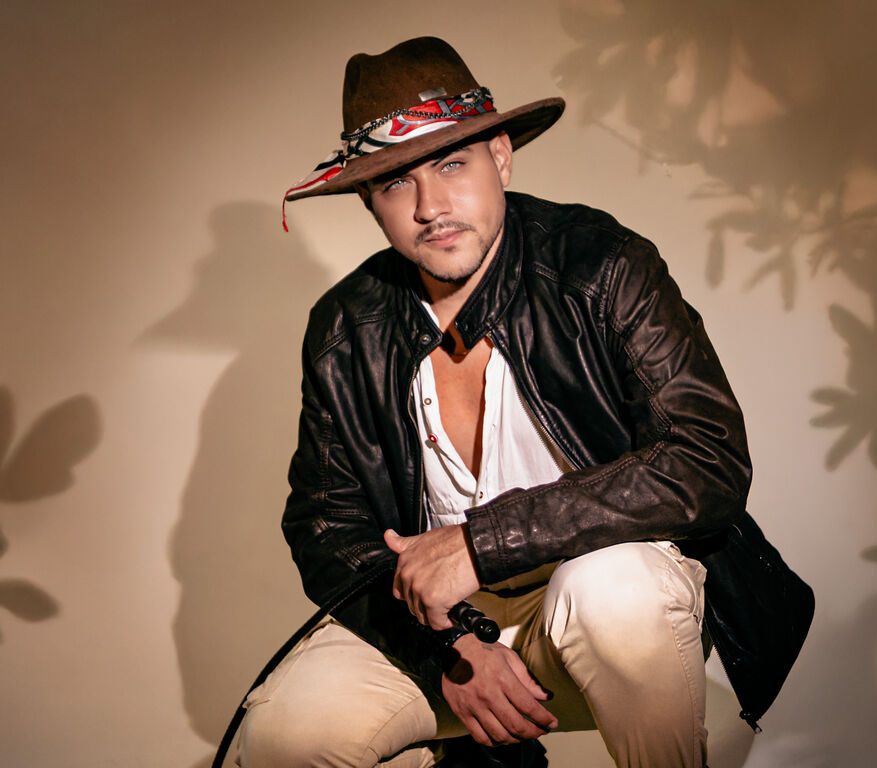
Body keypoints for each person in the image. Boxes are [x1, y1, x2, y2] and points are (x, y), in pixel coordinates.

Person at [239, 36, 812, 768]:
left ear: (501, 157)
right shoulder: (346, 329)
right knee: (285, 735)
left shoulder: (601, 265)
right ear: (369, 203)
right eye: (396, 183)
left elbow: (708, 459)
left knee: (613, 588)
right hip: (443, 627)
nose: (430, 207)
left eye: (452, 164)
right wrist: (450, 648)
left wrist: (482, 543)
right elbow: (326, 527)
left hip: (606, 618)